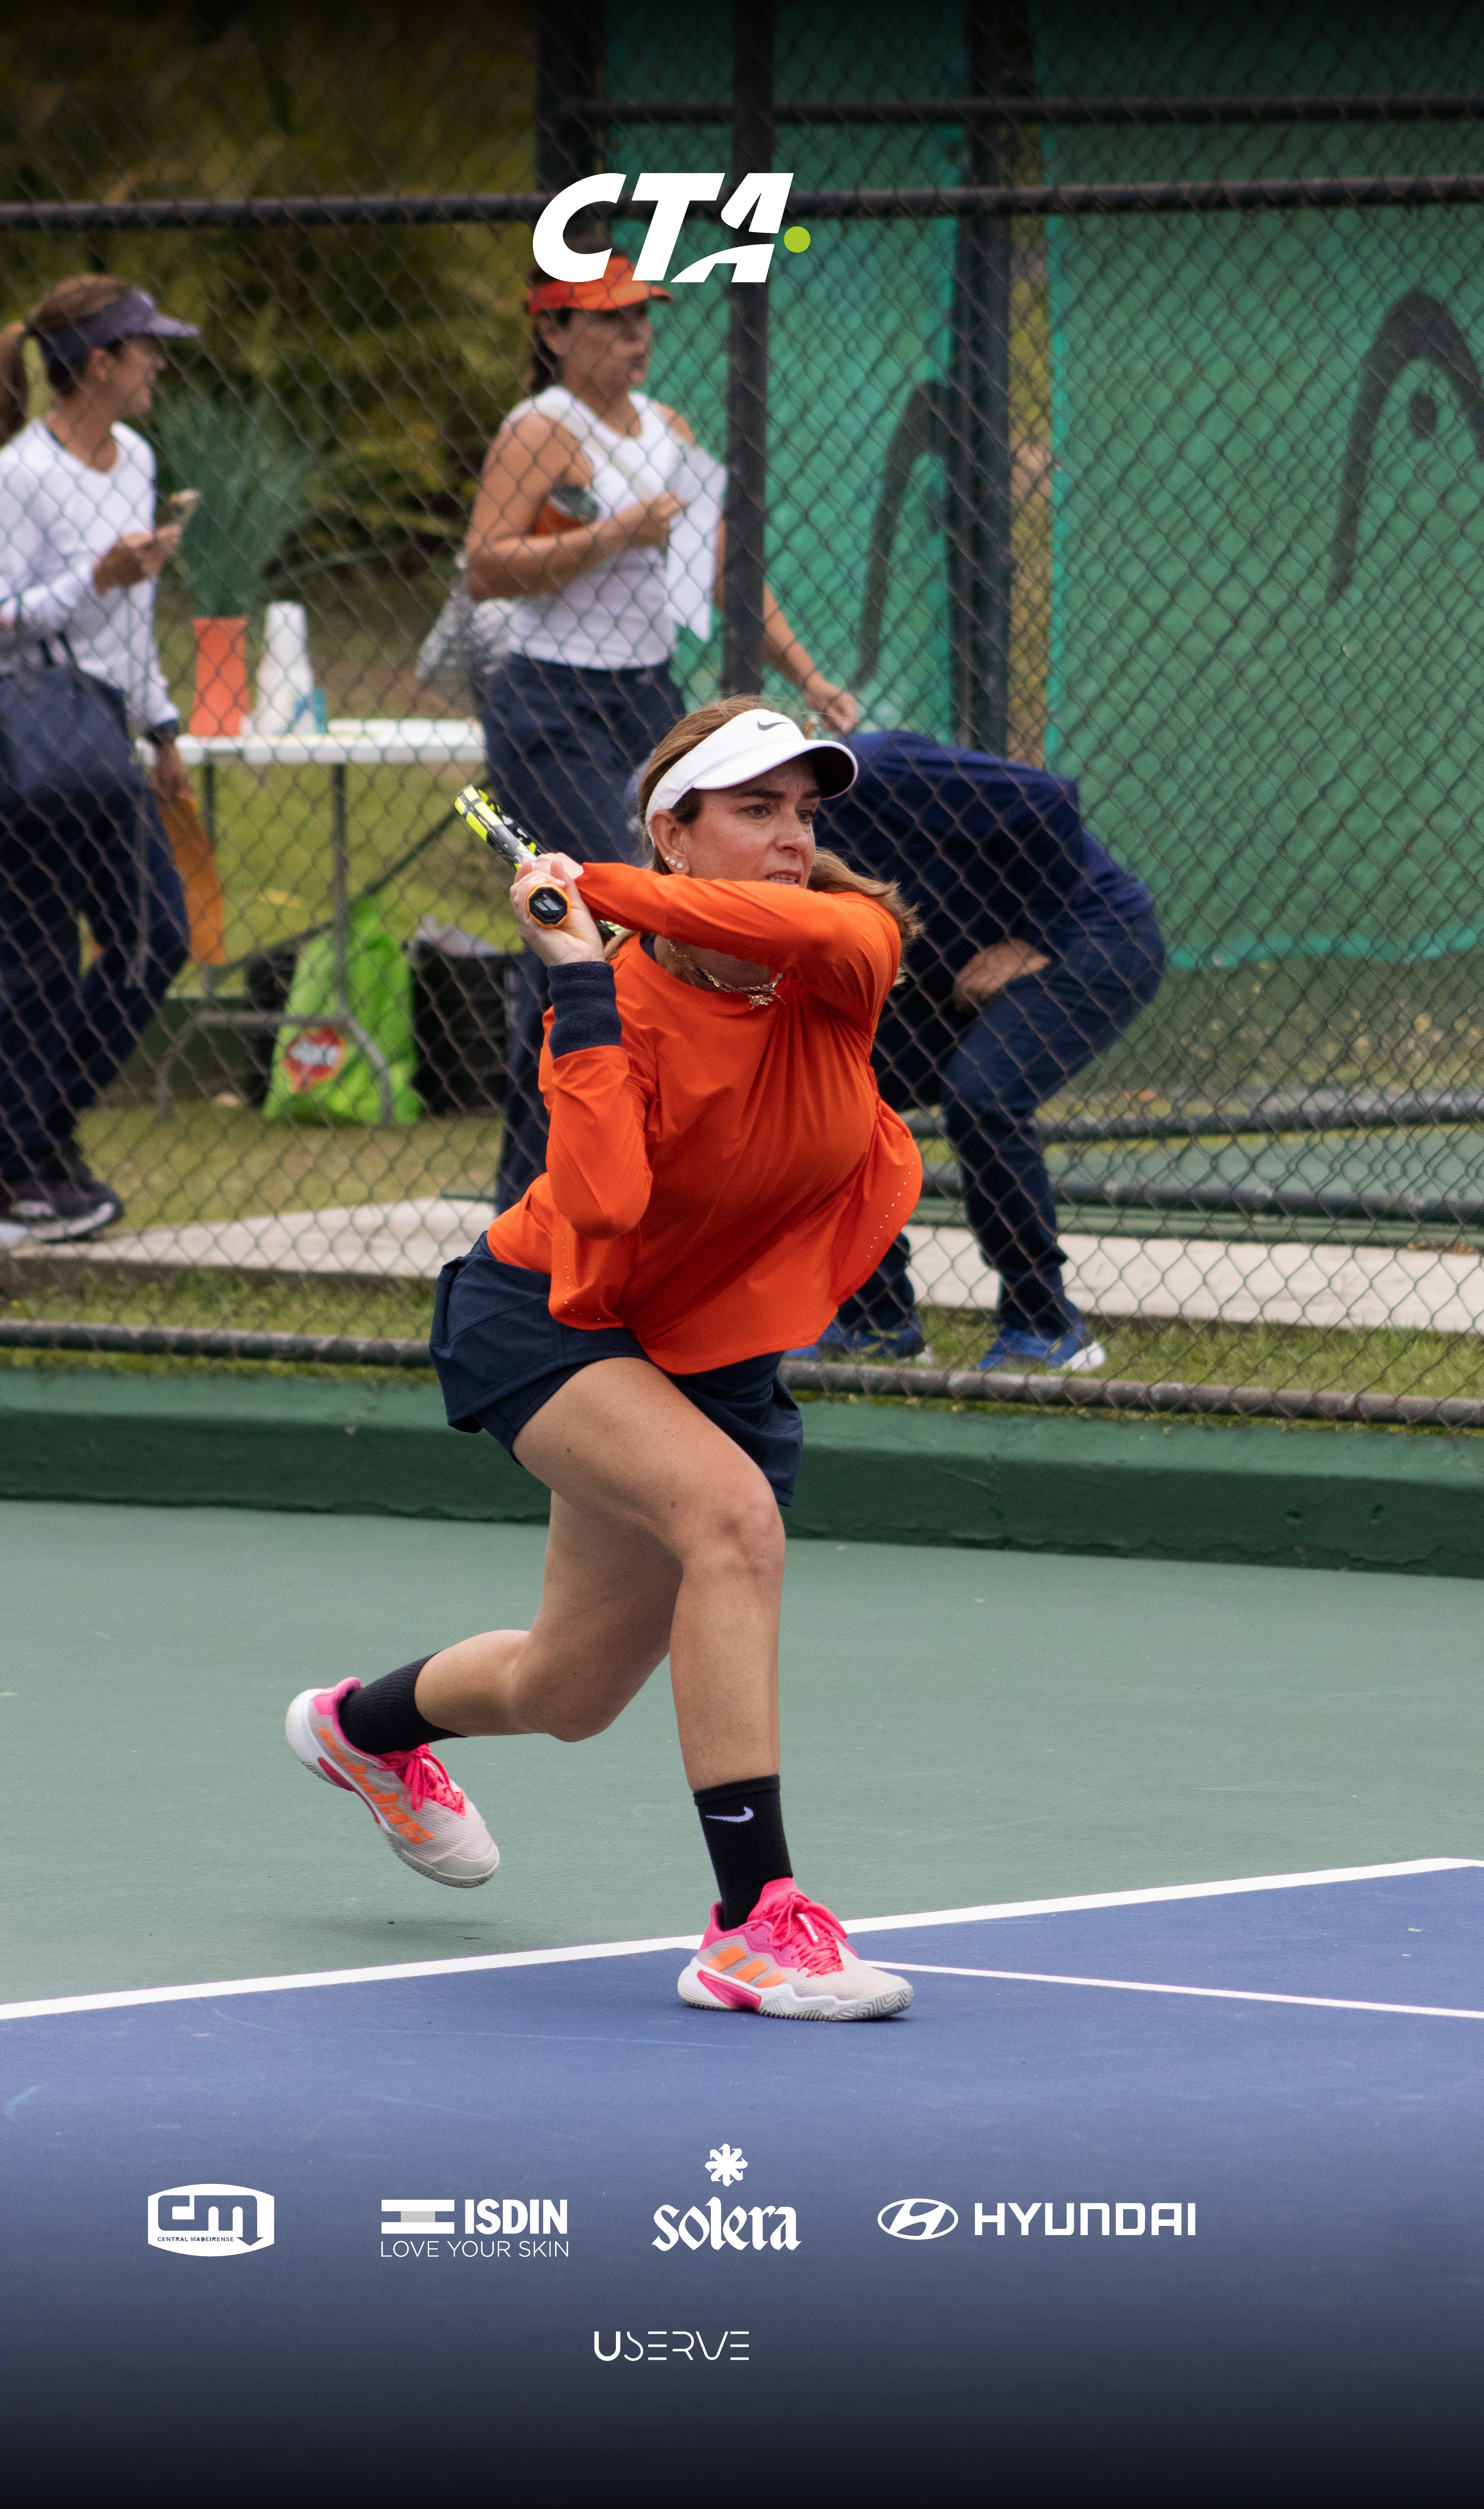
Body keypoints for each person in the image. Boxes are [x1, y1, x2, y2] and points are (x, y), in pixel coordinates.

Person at [286, 699, 920, 2021]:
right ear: (677, 828)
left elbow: (772, 921)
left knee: (565, 1692)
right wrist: (581, 977)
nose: (795, 837)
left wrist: (604, 889)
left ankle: (362, 1731)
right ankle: (756, 1922)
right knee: (731, 1522)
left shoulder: (849, 945)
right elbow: (608, 1202)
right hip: (551, 1315)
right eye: (757, 810)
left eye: (805, 811)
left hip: (712, 1347)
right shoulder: (610, 998)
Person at [464, 248, 859, 1209]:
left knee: (644, 928)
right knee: (592, 921)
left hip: (645, 697)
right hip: (549, 699)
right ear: (552, 333)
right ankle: (537, 1190)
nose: (634, 336)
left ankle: (619, 1163)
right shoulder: (538, 426)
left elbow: (726, 571)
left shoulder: (669, 430)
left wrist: (809, 677)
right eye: (607, 320)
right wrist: (607, 536)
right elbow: (484, 567)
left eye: (642, 318)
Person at [0, 273, 199, 1247]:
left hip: (104, 741)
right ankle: (14, 1185)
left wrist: (163, 728)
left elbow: (129, 626)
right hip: (16, 742)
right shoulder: (17, 476)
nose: (158, 365)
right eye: (145, 350)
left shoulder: (131, 457)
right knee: (41, 964)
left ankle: (31, 1130)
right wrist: (93, 576)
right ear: (99, 364)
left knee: (154, 940)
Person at [788, 731, 1165, 1372]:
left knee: (983, 1094)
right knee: (829, 1091)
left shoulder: (874, 769)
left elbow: (1047, 798)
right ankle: (878, 1322)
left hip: (1088, 936)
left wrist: (1035, 937)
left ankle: (1044, 1324)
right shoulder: (744, 856)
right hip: (955, 971)